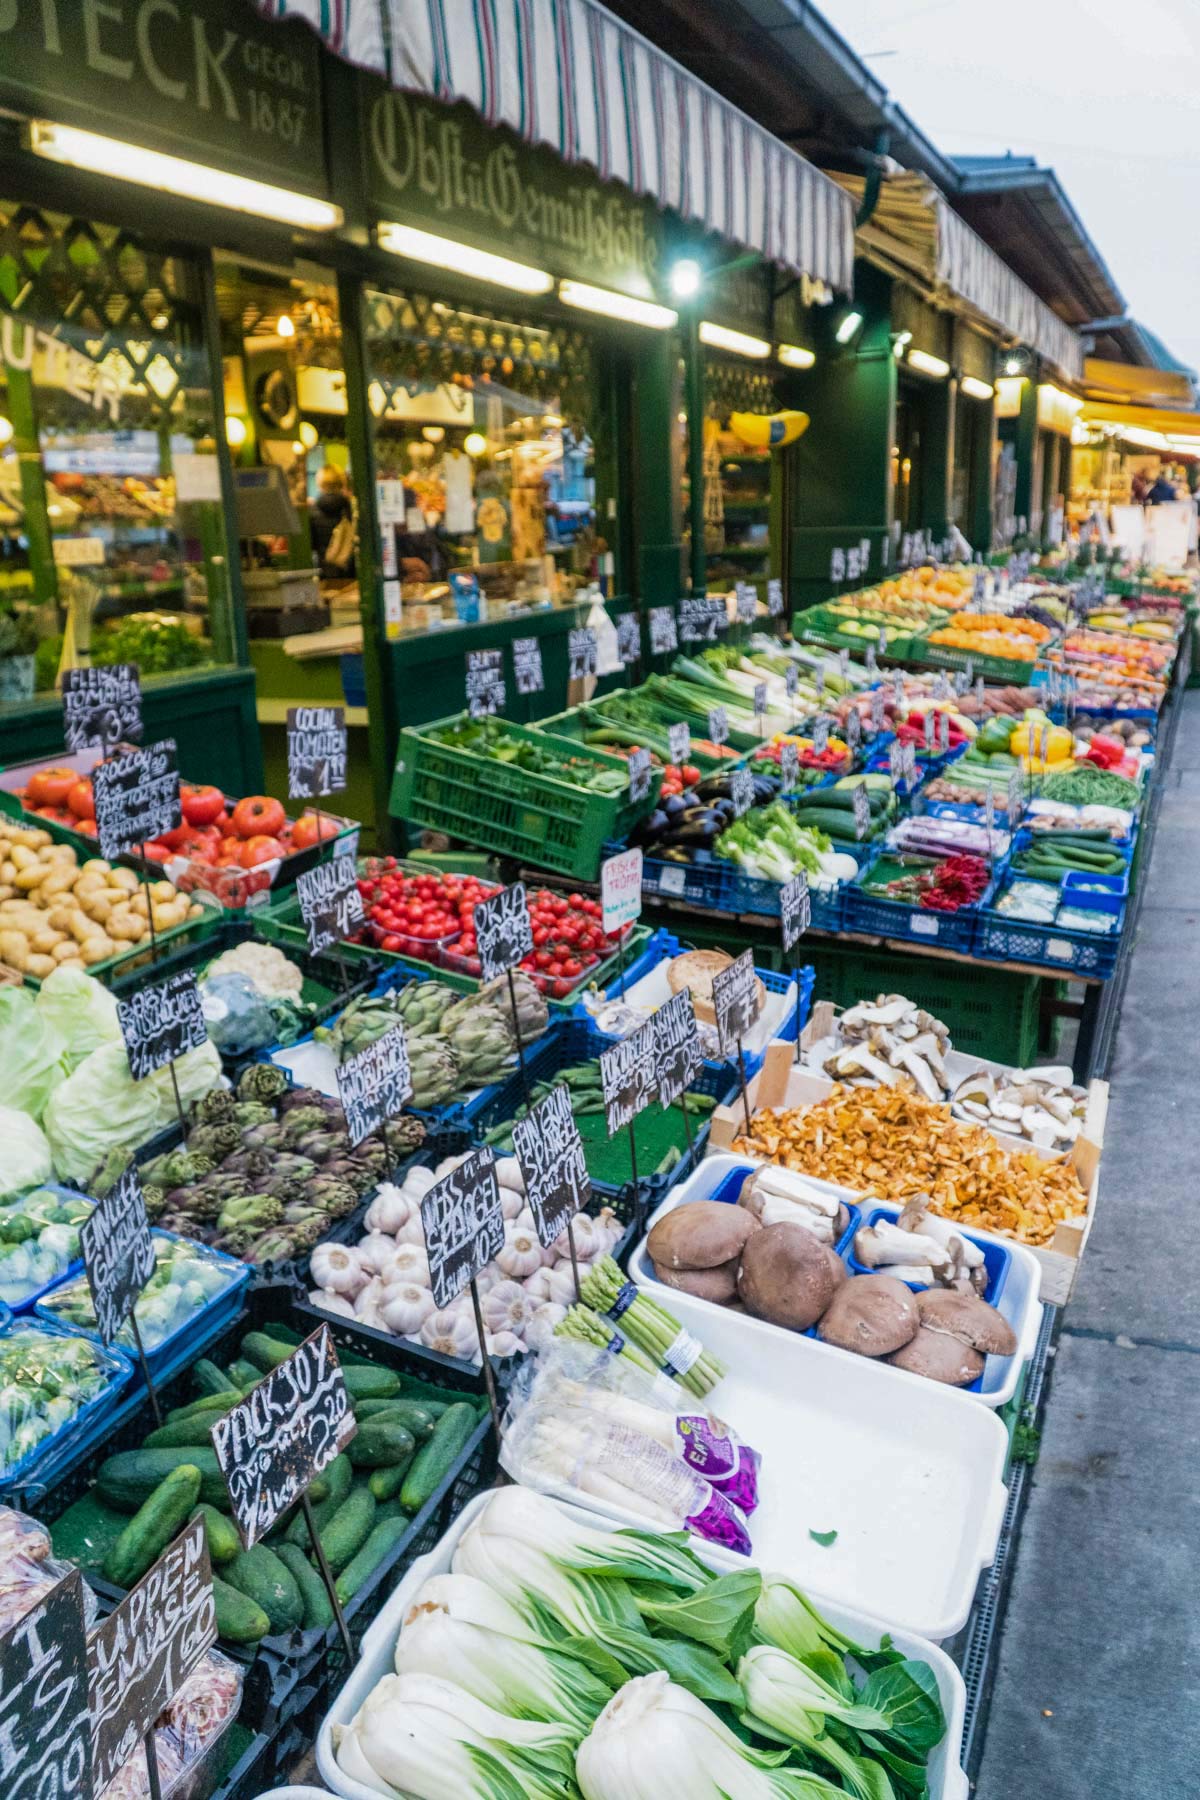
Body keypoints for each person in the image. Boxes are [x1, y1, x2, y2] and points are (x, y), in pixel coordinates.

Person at [310, 464, 356, 577]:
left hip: (325, 569)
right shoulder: (349, 507)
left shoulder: (313, 510)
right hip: (349, 568)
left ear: (320, 484)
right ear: (340, 482)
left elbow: (312, 544)